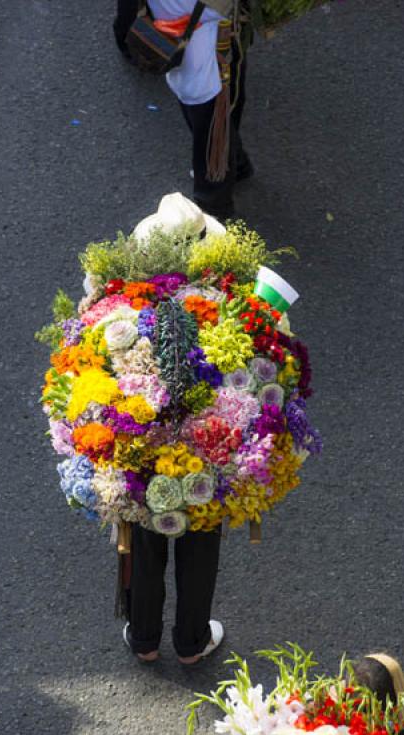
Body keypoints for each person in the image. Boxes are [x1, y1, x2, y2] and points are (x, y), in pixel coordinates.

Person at [121, 194, 226, 665]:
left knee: (145, 534)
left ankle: (143, 637)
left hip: (144, 436)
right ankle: (190, 641)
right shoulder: (226, 300)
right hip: (206, 439)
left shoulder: (129, 303)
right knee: (200, 534)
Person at [114, 0, 254, 219]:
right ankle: (234, 165)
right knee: (220, 109)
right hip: (212, 35)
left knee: (209, 120)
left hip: (195, 45)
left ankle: (216, 204)